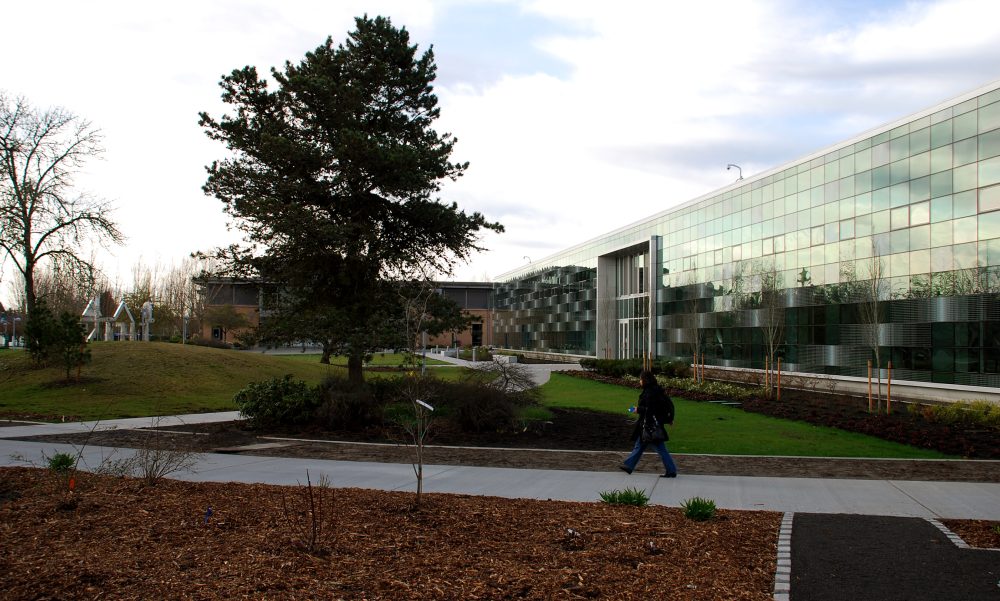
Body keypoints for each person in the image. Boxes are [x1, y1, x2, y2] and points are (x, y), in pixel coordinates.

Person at [619, 370, 678, 477]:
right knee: (640, 445)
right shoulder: (656, 390)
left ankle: (671, 470)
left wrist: (638, 409)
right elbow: (667, 405)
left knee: (659, 448)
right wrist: (669, 419)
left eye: (640, 379)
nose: (639, 381)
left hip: (650, 426)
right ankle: (629, 466)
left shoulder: (650, 392)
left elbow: (650, 409)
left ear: (645, 380)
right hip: (649, 425)